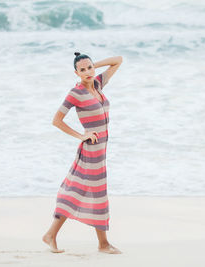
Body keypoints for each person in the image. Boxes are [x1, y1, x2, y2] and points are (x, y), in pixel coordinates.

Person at [42, 52, 123, 254]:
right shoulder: (75, 93)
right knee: (94, 193)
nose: (87, 72)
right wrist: (81, 135)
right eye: (83, 69)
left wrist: (96, 64)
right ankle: (102, 244)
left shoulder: (97, 84)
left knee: (80, 192)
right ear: (76, 73)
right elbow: (57, 120)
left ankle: (51, 235)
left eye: (90, 67)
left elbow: (118, 60)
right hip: (91, 151)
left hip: (101, 150)